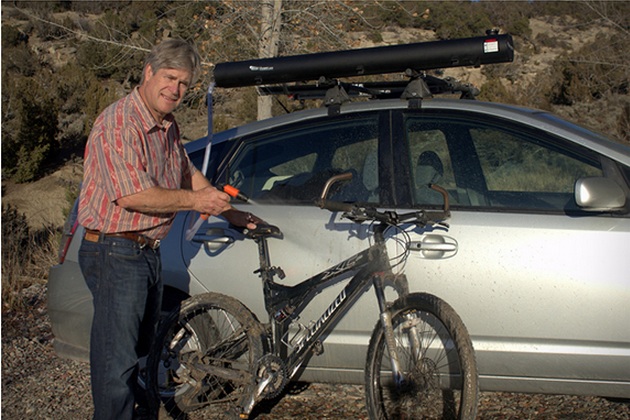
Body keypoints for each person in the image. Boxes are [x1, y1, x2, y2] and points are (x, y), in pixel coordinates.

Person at [77, 38, 260, 420]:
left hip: (145, 252)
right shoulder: (118, 124)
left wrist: (229, 213)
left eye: (183, 84)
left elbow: (186, 172)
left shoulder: (166, 125)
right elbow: (131, 195)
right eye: (169, 77)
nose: (175, 90)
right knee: (116, 366)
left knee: (141, 356)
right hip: (114, 250)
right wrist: (196, 203)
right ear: (148, 73)